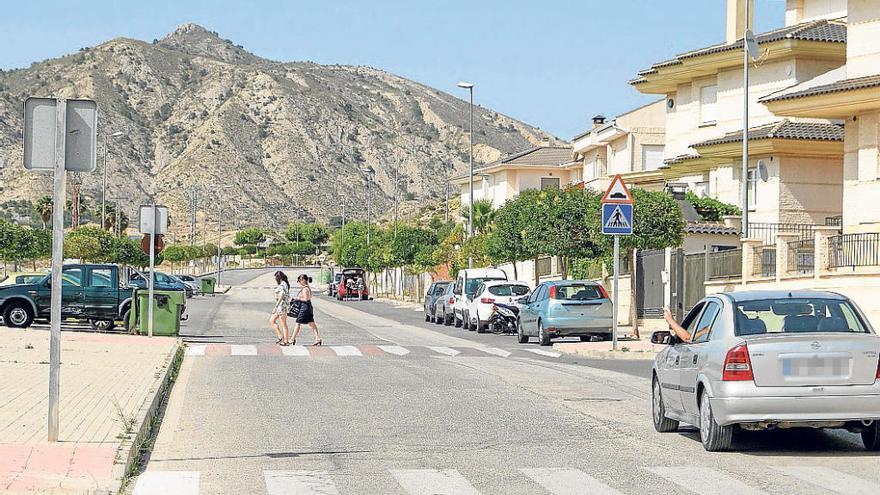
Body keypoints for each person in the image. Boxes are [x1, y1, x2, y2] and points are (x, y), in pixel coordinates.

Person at [291, 274, 322, 346]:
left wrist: (296, 298)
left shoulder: (305, 289)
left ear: (303, 280)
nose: (299, 283)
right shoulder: (307, 288)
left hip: (304, 308)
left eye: (299, 281)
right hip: (308, 307)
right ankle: (318, 338)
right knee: (312, 324)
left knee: (298, 323)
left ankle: (292, 339)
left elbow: (305, 299)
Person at [270, 271, 291, 345]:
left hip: (282, 306)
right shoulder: (284, 284)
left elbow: (282, 295)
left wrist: (276, 306)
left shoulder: (283, 284)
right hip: (281, 306)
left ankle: (286, 341)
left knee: (283, 324)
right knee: (272, 320)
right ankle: (280, 336)